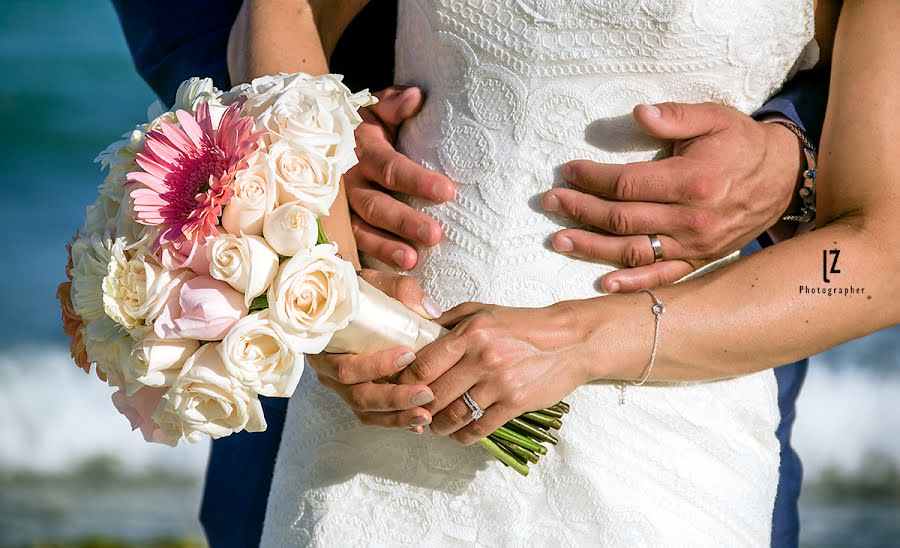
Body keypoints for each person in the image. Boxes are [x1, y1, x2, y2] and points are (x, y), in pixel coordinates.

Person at [110, 0, 831, 545]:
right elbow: (273, 16)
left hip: (681, 381)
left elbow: (873, 243)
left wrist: (803, 157)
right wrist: (300, 149)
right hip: (373, 357)